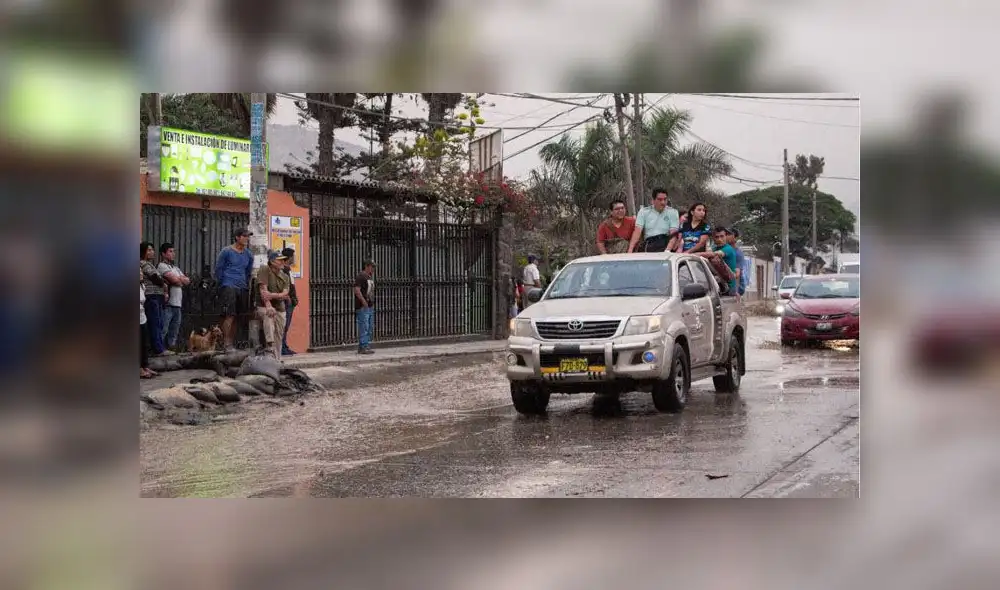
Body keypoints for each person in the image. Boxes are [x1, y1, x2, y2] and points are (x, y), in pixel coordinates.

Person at [215, 228, 254, 350]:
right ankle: (225, 343)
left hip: (241, 286)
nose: (247, 238)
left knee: (237, 315)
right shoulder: (226, 251)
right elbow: (218, 269)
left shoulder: (248, 254)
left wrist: (245, 283)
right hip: (228, 285)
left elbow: (248, 271)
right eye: (244, 236)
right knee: (228, 315)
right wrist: (223, 283)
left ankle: (231, 342)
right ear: (237, 237)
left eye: (248, 236)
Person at [255, 250, 291, 359]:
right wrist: (269, 305)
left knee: (279, 335)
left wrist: (272, 295)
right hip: (264, 306)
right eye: (279, 260)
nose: (282, 262)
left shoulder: (285, 276)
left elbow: (285, 293)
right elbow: (263, 290)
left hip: (280, 308)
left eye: (283, 260)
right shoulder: (264, 269)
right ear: (272, 261)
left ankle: (277, 359)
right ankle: (269, 345)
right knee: (269, 314)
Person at [140, 241, 171, 356]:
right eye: (149, 250)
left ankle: (159, 347)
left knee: (158, 322)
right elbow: (155, 278)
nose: (152, 252)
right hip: (151, 296)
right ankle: (158, 349)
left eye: (152, 250)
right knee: (155, 322)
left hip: (157, 296)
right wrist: (163, 283)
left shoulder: (150, 264)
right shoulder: (144, 264)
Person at [157, 242, 190, 351]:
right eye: (170, 251)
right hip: (168, 304)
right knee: (164, 328)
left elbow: (187, 281)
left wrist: (179, 280)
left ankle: (171, 349)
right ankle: (159, 350)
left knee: (174, 330)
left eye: (174, 251)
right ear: (163, 254)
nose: (173, 253)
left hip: (177, 303)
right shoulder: (162, 266)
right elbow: (176, 281)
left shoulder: (175, 267)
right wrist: (179, 280)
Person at [628, 188, 680, 253]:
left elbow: (674, 234)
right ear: (652, 200)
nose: (663, 202)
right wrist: (630, 250)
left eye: (665, 199)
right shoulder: (644, 212)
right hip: (649, 243)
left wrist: (667, 250)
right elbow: (637, 231)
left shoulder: (673, 212)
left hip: (665, 242)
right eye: (659, 199)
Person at [699, 227, 741, 297]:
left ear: (726, 236)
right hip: (718, 286)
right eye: (716, 237)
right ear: (713, 238)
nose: (719, 239)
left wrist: (690, 254)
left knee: (715, 259)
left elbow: (715, 254)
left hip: (728, 289)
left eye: (722, 236)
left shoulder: (728, 249)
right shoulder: (714, 248)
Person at [353, 260, 376, 354]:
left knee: (369, 326)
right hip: (363, 306)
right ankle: (363, 346)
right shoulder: (361, 276)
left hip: (369, 306)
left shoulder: (369, 277)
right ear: (367, 266)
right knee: (364, 326)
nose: (373, 269)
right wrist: (363, 301)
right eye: (372, 266)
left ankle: (365, 345)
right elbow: (356, 290)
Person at [280, 247, 299, 356]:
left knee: (286, 326)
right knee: (284, 325)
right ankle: (282, 347)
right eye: (293, 256)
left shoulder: (288, 270)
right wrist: (289, 298)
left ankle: (285, 346)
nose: (294, 258)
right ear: (289, 258)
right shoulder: (284, 271)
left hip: (291, 301)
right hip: (287, 302)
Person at [140, 266, 157, 379]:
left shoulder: (142, 286)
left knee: (144, 343)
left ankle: (144, 365)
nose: (141, 273)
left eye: (141, 271)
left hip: (142, 316)